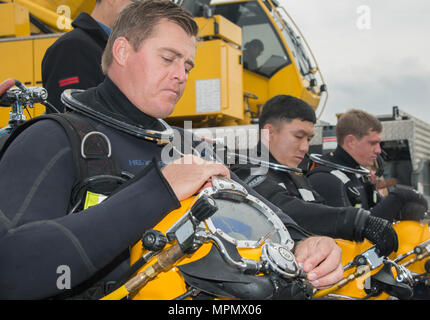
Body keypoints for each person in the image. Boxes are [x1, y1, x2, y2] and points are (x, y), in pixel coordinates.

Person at [0, 1, 341, 300]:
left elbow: (260, 208)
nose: (181, 76)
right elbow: (12, 269)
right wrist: (158, 190)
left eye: (188, 66)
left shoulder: (186, 145)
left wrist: (303, 243)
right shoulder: (54, 139)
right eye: (168, 58)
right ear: (121, 51)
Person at [231, 95, 399, 257]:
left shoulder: (296, 175)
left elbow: (320, 210)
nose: (305, 147)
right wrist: (357, 221)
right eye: (298, 137)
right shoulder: (246, 173)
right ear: (269, 133)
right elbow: (283, 209)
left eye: (309, 139)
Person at [307, 109, 428, 222]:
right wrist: (398, 197)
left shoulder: (358, 176)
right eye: (373, 143)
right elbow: (347, 230)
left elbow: (374, 213)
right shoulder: (325, 180)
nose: (379, 150)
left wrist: (401, 211)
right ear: (351, 142)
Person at [41, 0, 133, 112]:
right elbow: (72, 120)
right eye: (137, 1)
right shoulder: (72, 47)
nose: (143, 11)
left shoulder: (117, 49)